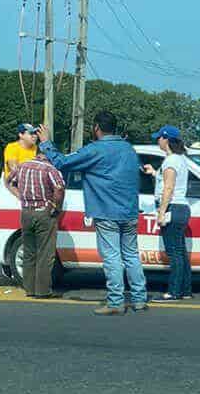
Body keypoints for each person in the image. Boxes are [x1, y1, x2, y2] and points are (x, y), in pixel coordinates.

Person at [36, 110, 146, 316]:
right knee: (131, 255)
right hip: (130, 211)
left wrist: (46, 143)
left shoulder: (95, 150)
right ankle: (139, 299)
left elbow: (61, 162)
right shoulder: (128, 149)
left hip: (106, 211)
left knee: (112, 256)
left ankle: (115, 302)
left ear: (96, 128)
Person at [7, 149, 65, 298]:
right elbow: (59, 188)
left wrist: (21, 197)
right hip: (44, 212)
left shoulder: (23, 166)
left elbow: (9, 182)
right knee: (45, 253)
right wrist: (56, 206)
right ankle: (43, 290)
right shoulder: (50, 169)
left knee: (29, 252)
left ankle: (29, 289)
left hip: (26, 212)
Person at [143, 126, 192, 301]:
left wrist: (161, 212)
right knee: (180, 251)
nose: (158, 141)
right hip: (181, 209)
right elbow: (169, 182)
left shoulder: (170, 161)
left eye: (159, 138)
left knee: (174, 253)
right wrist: (155, 173)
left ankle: (174, 291)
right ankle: (185, 290)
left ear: (167, 140)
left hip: (173, 208)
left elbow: (169, 188)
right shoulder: (180, 159)